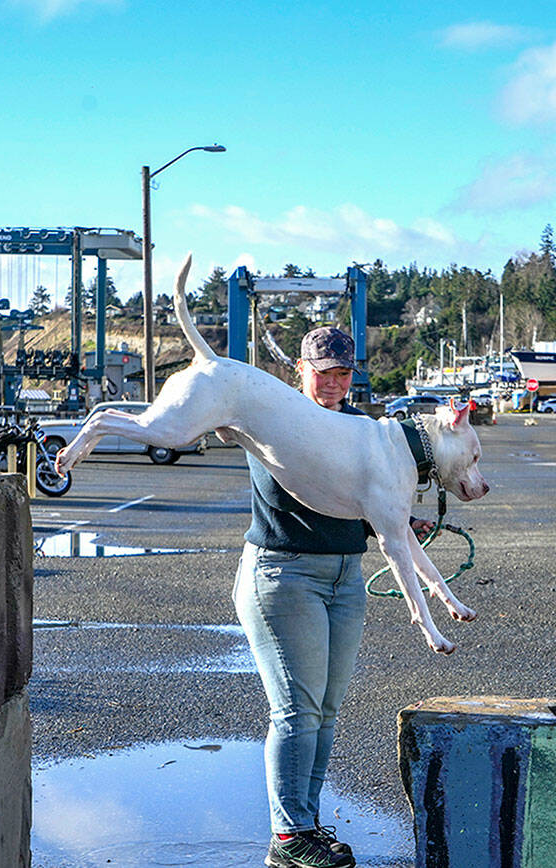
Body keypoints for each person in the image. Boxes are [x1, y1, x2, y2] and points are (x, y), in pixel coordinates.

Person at [234, 326, 370, 868]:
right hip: (284, 574)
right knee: (296, 710)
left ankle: (305, 827)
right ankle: (289, 837)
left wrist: (403, 519)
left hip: (346, 577)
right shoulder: (275, 418)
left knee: (326, 709)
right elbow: (298, 491)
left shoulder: (361, 426)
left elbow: (369, 497)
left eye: (343, 372)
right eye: (323, 372)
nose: (334, 382)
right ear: (300, 368)